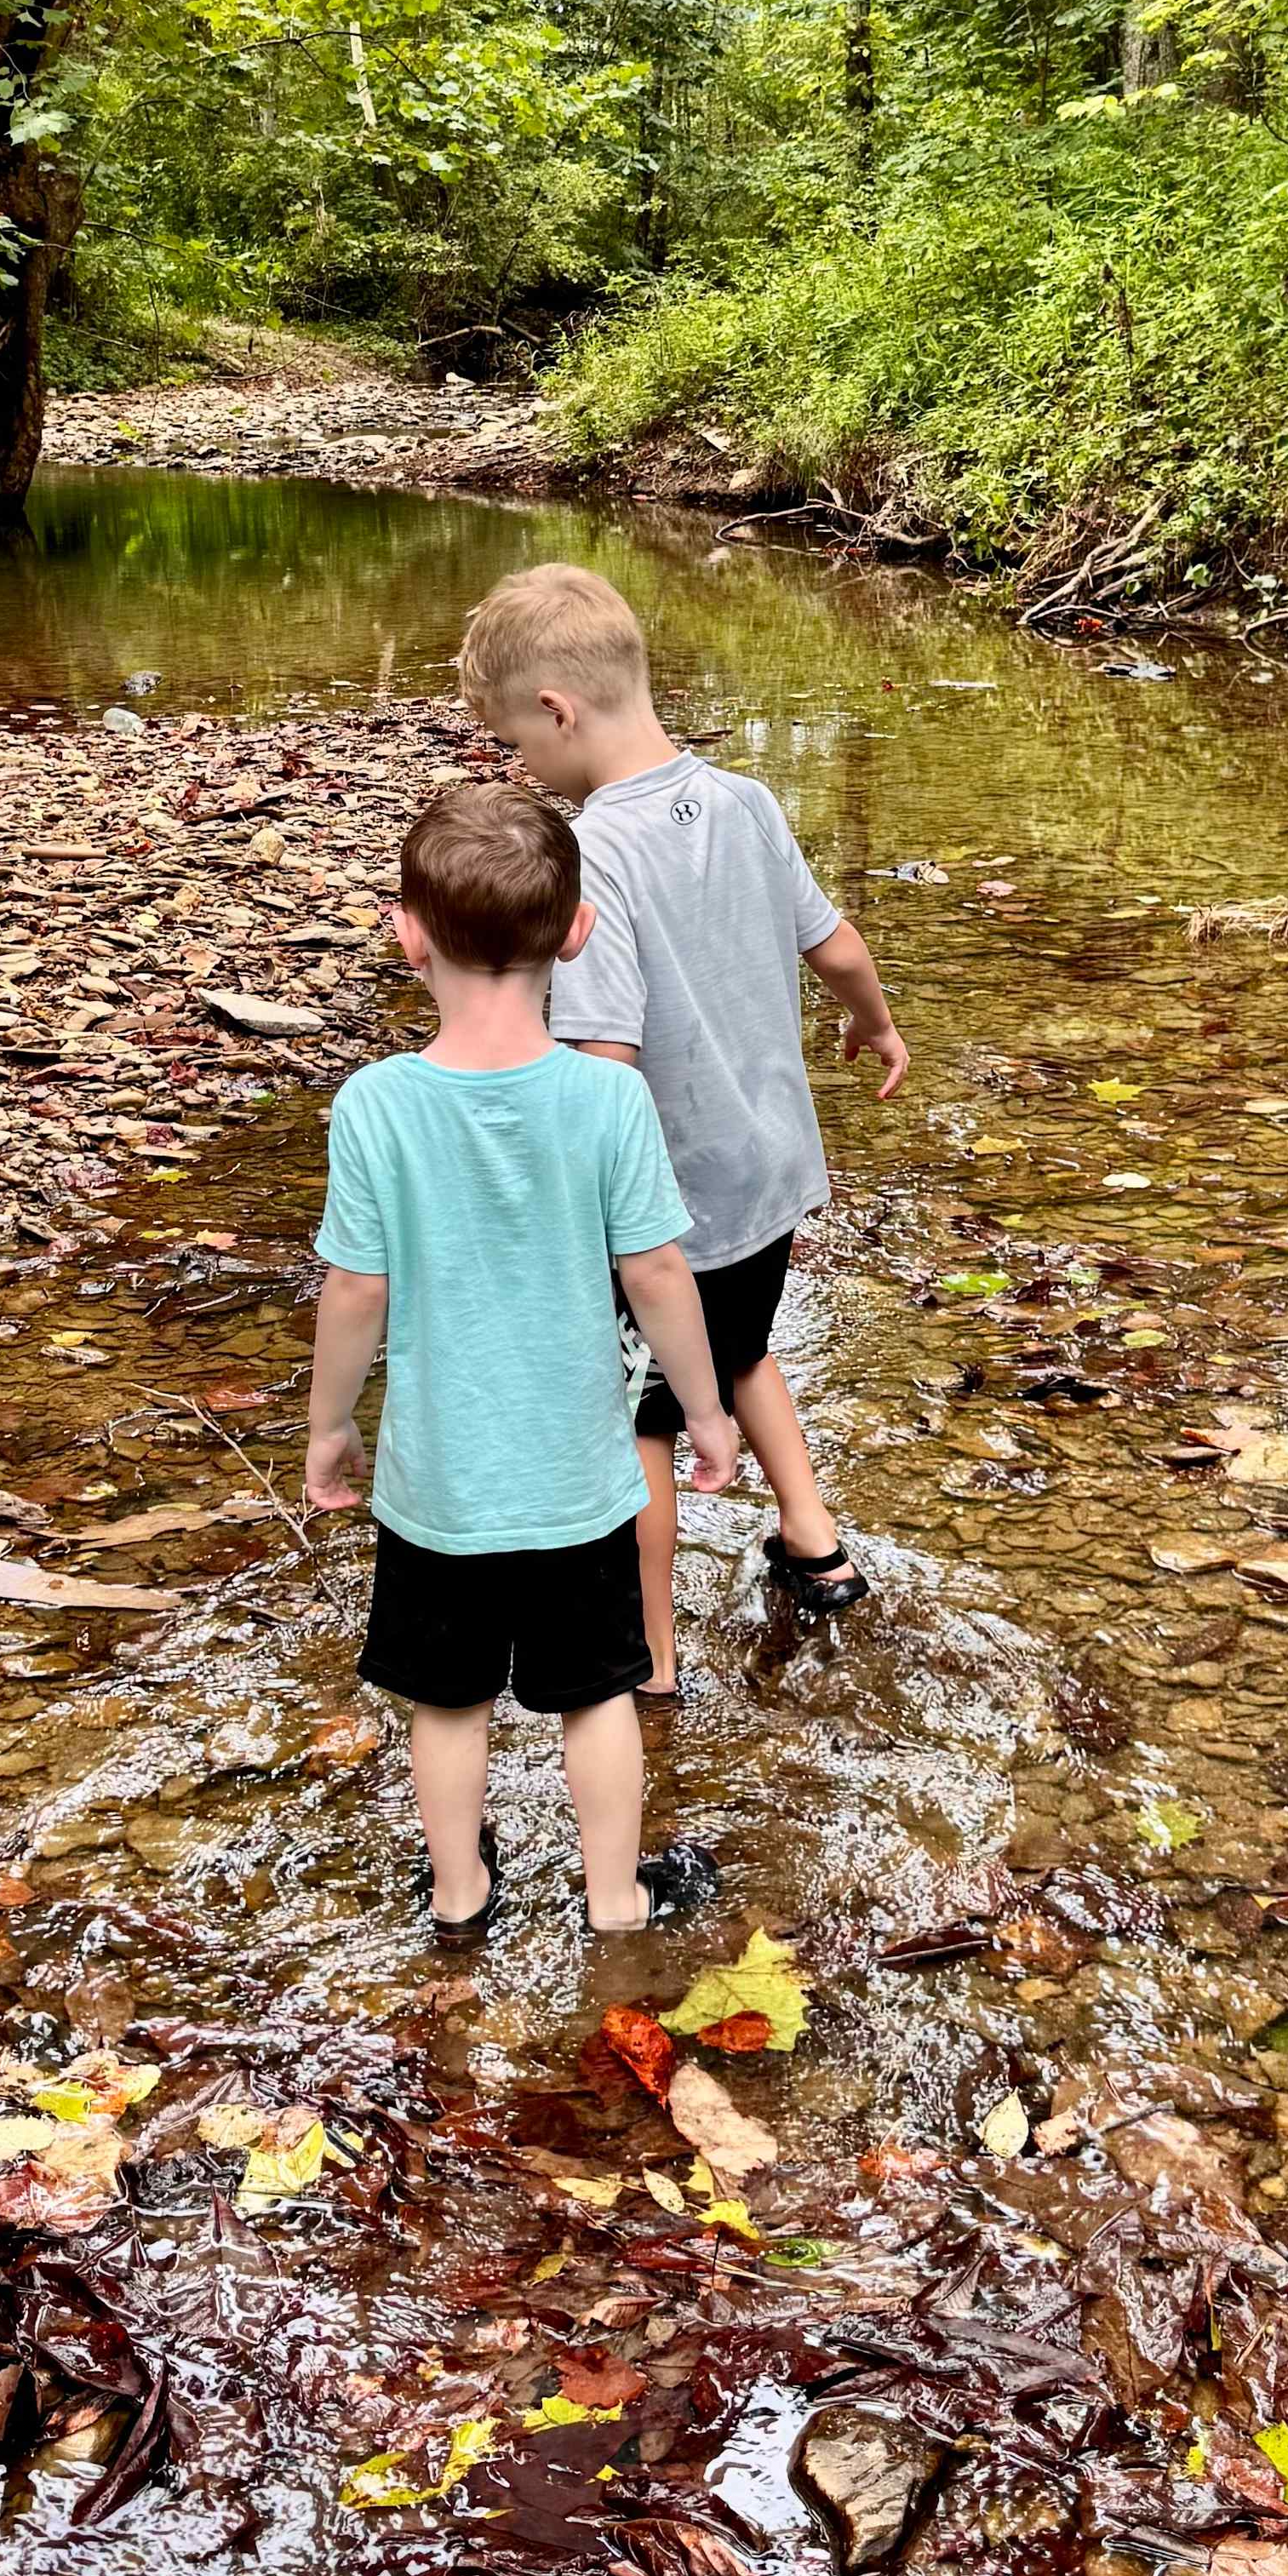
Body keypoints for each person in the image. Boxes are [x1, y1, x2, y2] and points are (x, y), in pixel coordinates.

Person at [455, 558, 907, 1692]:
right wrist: (875, 1029)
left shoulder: (597, 852)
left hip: (672, 1202)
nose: (527, 767)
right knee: (739, 1344)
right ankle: (815, 1545)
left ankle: (648, 1658)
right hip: (772, 1175)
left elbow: (606, 1062)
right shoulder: (748, 802)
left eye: (520, 743)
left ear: (557, 711)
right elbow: (839, 946)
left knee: (642, 1422)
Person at [305, 776, 739, 1938]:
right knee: (598, 1691)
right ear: (578, 930)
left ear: (406, 934)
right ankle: (613, 1901)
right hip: (578, 1483)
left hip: (439, 1488)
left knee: (444, 1703)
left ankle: (458, 1892)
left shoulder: (376, 1105)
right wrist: (703, 1410)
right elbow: (656, 1275)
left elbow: (357, 1290)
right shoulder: (608, 1099)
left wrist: (330, 1426)